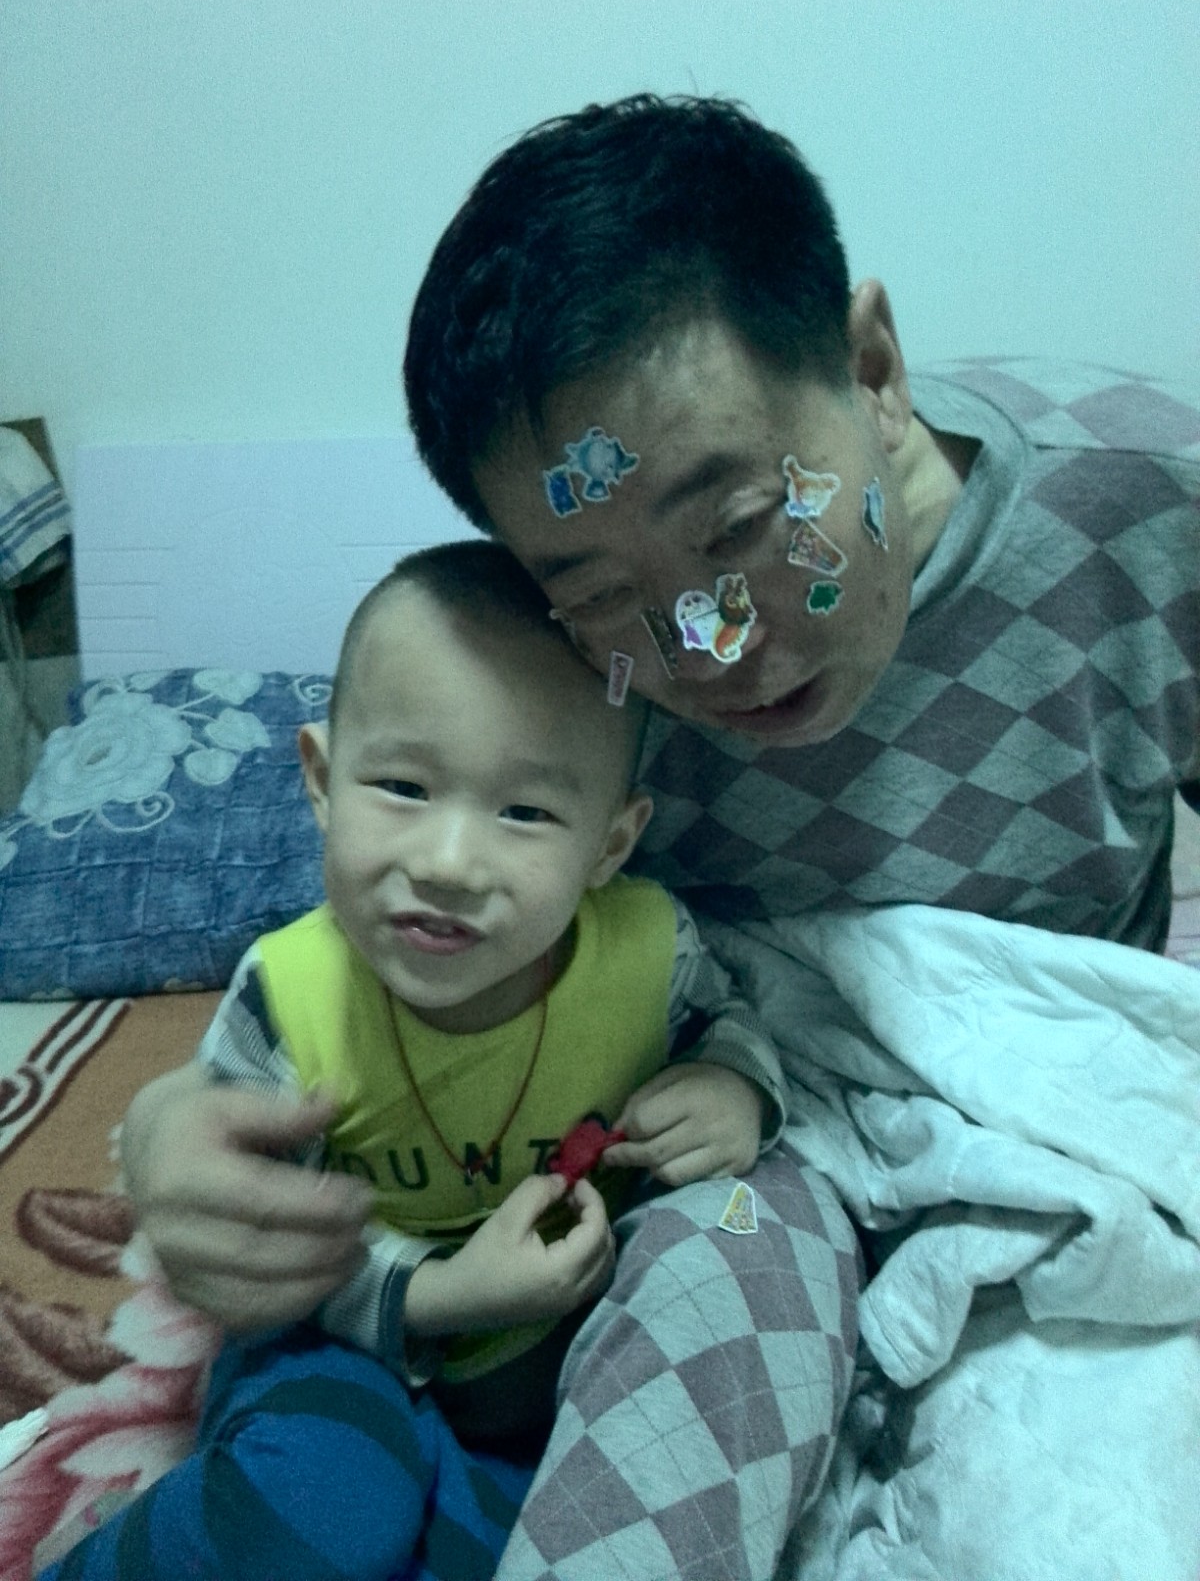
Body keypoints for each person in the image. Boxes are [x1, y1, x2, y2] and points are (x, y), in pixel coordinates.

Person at [120, 94, 1200, 1579]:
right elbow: (380, 914)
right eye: (601, 593)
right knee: (709, 1305)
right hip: (734, 1140)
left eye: (740, 526)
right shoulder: (564, 671)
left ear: (873, 370)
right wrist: (168, 1129)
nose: (709, 646)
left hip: (1065, 1122)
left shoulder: (1145, 506)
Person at [42, 538, 808, 1580]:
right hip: (335, 1345)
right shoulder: (290, 995)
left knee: (568, 1524)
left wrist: (734, 1085)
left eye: (525, 812)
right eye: (402, 786)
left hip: (554, 1365)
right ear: (321, 780)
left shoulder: (650, 951)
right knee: (326, 1502)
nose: (448, 864)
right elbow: (252, 1254)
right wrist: (439, 1297)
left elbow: (734, 1020)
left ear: (609, 845)